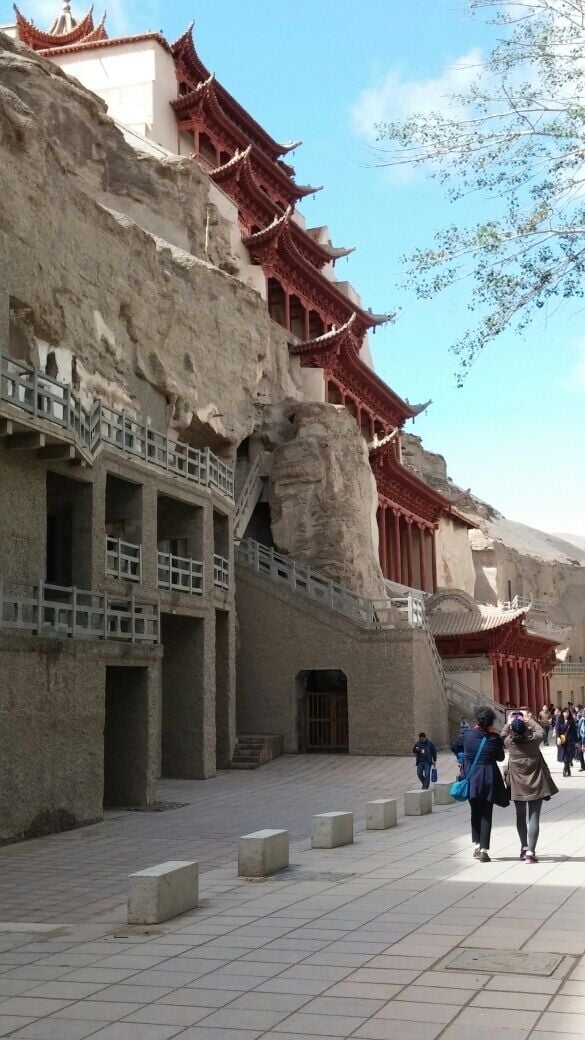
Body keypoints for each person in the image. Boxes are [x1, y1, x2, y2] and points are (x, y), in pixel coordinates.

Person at [452, 706, 509, 862]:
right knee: (486, 814)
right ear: (491, 722)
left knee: (474, 812)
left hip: (472, 779)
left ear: (477, 720)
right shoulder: (494, 738)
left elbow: (454, 746)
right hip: (489, 779)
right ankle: (484, 850)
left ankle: (477, 845)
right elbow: (500, 757)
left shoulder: (467, 735)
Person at [504, 717, 558, 863]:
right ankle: (530, 853)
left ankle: (523, 847)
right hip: (536, 784)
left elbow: (502, 735)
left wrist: (508, 723)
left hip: (517, 786)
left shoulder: (510, 743)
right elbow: (541, 731)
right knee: (534, 818)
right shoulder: (534, 742)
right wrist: (529, 719)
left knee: (520, 816)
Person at [555, 708, 577, 777]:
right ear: (562, 713)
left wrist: (576, 741)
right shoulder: (559, 720)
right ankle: (568, 769)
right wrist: (558, 737)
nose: (566, 714)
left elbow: (574, 732)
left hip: (570, 741)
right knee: (563, 754)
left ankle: (565, 769)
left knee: (568, 754)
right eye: (565, 712)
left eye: (567, 712)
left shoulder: (571, 721)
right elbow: (557, 729)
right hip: (561, 740)